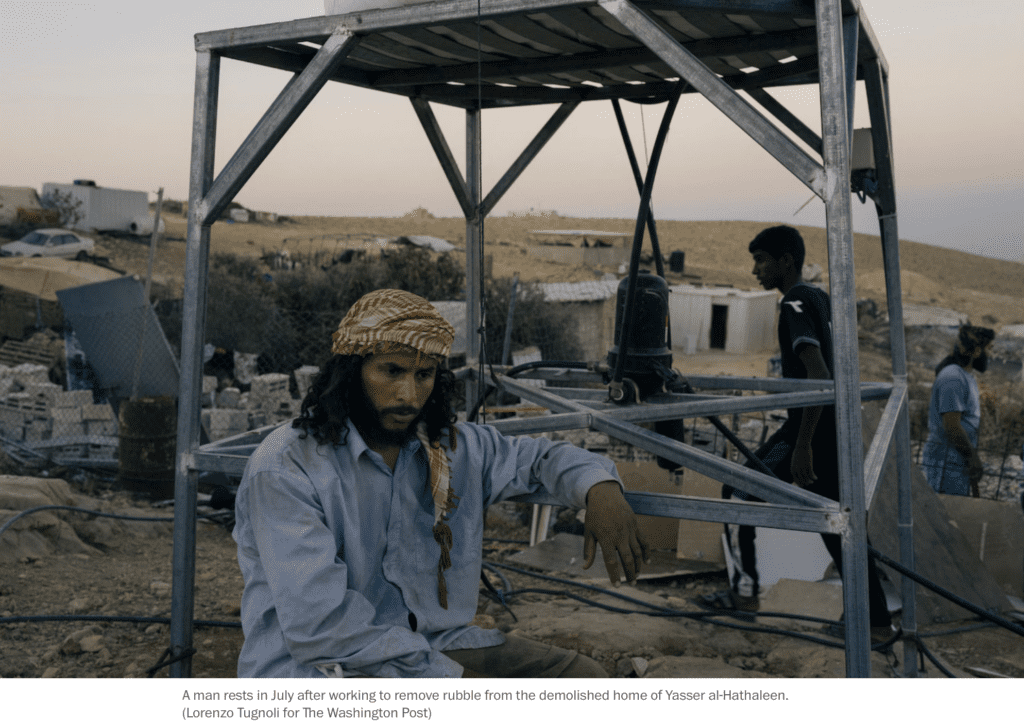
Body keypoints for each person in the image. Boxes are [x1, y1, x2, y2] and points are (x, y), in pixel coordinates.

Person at [232, 288, 649, 678]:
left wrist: (600, 489)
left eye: (424, 375)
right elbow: (321, 627)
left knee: (584, 681)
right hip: (326, 670)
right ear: (351, 372)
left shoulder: (453, 449)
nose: (409, 394)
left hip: (432, 645)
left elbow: (543, 458)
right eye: (391, 371)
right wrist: (453, 682)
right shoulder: (287, 467)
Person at [714, 225, 895, 641]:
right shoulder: (820, 297)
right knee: (838, 524)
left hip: (810, 430)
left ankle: (743, 596)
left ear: (785, 261)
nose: (754, 270)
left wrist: (802, 445)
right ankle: (877, 623)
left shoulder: (794, 302)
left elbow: (818, 375)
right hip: (835, 430)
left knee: (738, 492)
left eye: (761, 260)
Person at [921, 325, 995, 497]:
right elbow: (952, 426)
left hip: (956, 459)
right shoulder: (953, 378)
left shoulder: (965, 375)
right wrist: (972, 458)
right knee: (944, 512)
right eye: (990, 349)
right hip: (946, 460)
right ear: (977, 352)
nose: (992, 355)